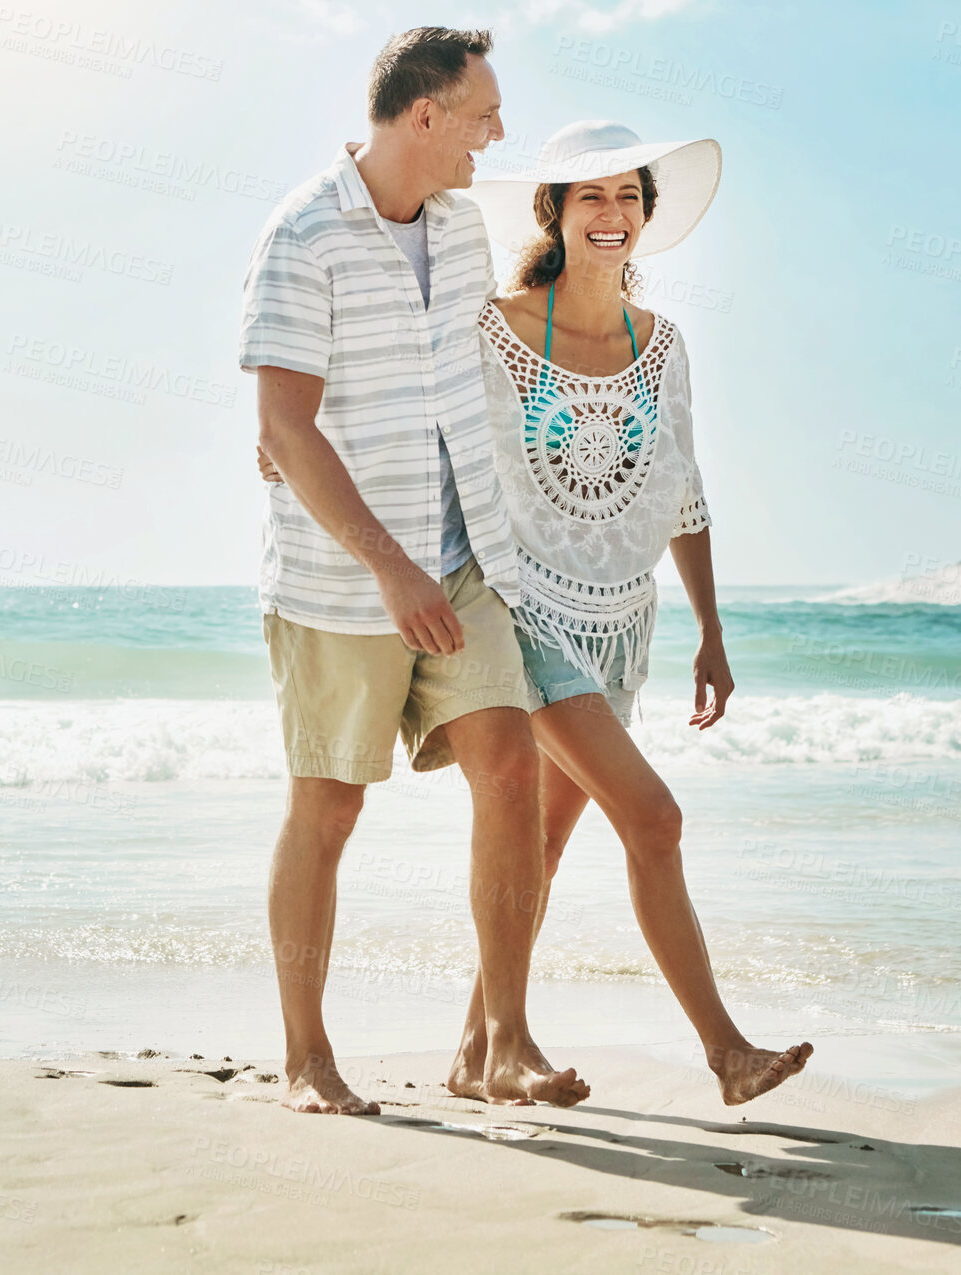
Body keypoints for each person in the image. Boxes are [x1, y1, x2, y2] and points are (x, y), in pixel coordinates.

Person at [262, 120, 814, 1106]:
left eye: (629, 197)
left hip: (622, 621)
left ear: (646, 216)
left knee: (547, 849)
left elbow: (679, 489)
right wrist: (281, 435)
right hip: (523, 612)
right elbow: (400, 380)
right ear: (553, 213)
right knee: (653, 816)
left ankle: (477, 1056)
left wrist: (712, 631)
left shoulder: (664, 345)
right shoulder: (497, 326)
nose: (612, 214)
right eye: (590, 196)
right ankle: (725, 1052)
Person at [239, 28, 588, 1115]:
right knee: (329, 809)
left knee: (512, 771)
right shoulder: (302, 235)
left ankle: (503, 1045)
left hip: (466, 559)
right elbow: (287, 428)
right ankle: (305, 1059)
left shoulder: (460, 228)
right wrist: (391, 570)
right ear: (424, 116)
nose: (497, 133)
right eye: (483, 114)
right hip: (341, 583)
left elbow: (476, 377)